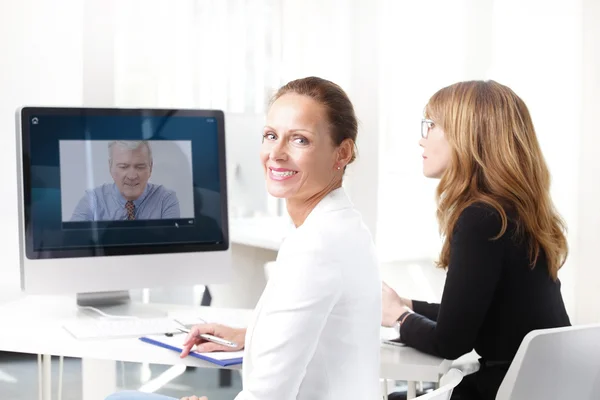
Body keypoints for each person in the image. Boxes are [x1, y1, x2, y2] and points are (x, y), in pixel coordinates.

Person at [105, 77, 382, 400]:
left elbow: (269, 395)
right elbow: (323, 334)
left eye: (300, 140)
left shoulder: (316, 247)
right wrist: (252, 335)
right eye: (270, 136)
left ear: (342, 153)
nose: (276, 154)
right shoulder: (345, 227)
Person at [382, 80, 571, 400]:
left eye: (430, 125)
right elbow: (470, 314)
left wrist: (398, 318)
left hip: (505, 389)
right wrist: (408, 306)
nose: (421, 138)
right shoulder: (517, 212)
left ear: (466, 135)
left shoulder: (481, 219)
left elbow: (451, 342)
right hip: (546, 387)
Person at [70, 140, 180, 221]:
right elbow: (72, 242)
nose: (132, 176)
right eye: (123, 167)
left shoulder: (165, 200)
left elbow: (172, 247)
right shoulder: (93, 200)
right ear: (110, 167)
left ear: (150, 167)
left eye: (140, 167)